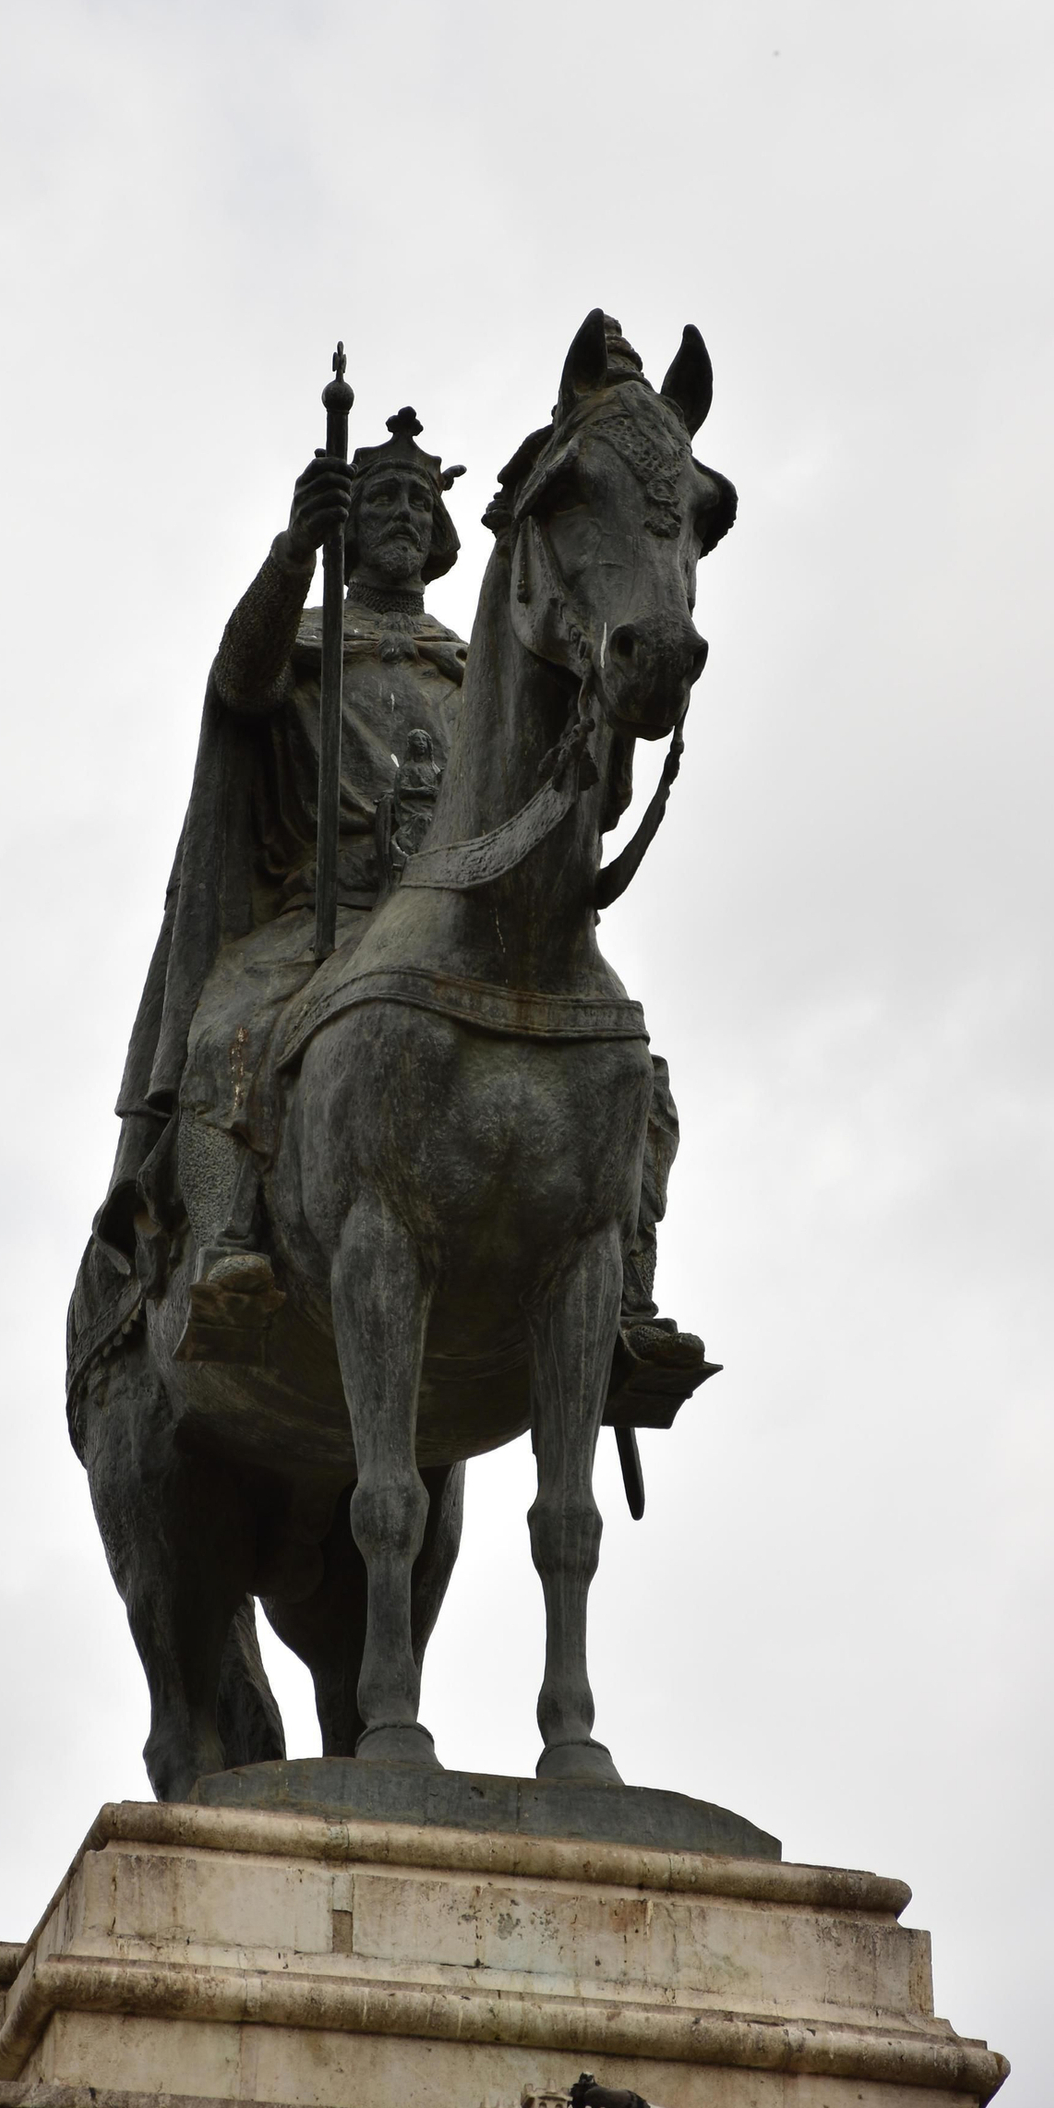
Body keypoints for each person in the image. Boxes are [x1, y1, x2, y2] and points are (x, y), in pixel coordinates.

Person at [66, 406, 701, 1433]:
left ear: (447, 536)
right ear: (351, 527)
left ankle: (622, 1289)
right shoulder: (308, 639)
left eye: (419, 502)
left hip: (463, 910)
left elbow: (559, 790)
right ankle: (229, 1245)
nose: (403, 517)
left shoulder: (476, 665)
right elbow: (240, 682)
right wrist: (289, 558)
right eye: (382, 502)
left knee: (637, 1076)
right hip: (325, 917)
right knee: (231, 1024)